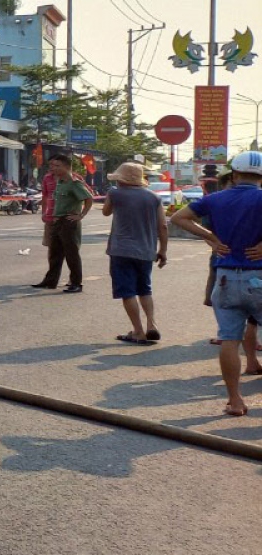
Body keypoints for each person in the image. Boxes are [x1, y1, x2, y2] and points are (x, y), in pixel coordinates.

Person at [171, 151, 262, 417]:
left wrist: (210, 237)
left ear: (233, 175)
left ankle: (235, 401)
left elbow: (178, 218)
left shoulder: (216, 198)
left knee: (229, 340)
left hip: (225, 277)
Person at [100, 162, 166, 345]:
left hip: (121, 250)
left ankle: (138, 331)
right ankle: (151, 325)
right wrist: (163, 250)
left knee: (127, 291)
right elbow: (163, 226)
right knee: (145, 289)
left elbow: (106, 212)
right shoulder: (154, 198)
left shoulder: (115, 193)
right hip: (146, 251)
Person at [33, 154, 92, 292]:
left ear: (66, 167)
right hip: (57, 220)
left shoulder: (74, 183)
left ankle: (76, 283)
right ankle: (50, 281)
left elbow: (88, 199)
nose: (53, 168)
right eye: (52, 165)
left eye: (57, 166)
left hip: (68, 222)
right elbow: (47, 197)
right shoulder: (60, 182)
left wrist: (81, 215)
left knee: (71, 254)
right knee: (55, 253)